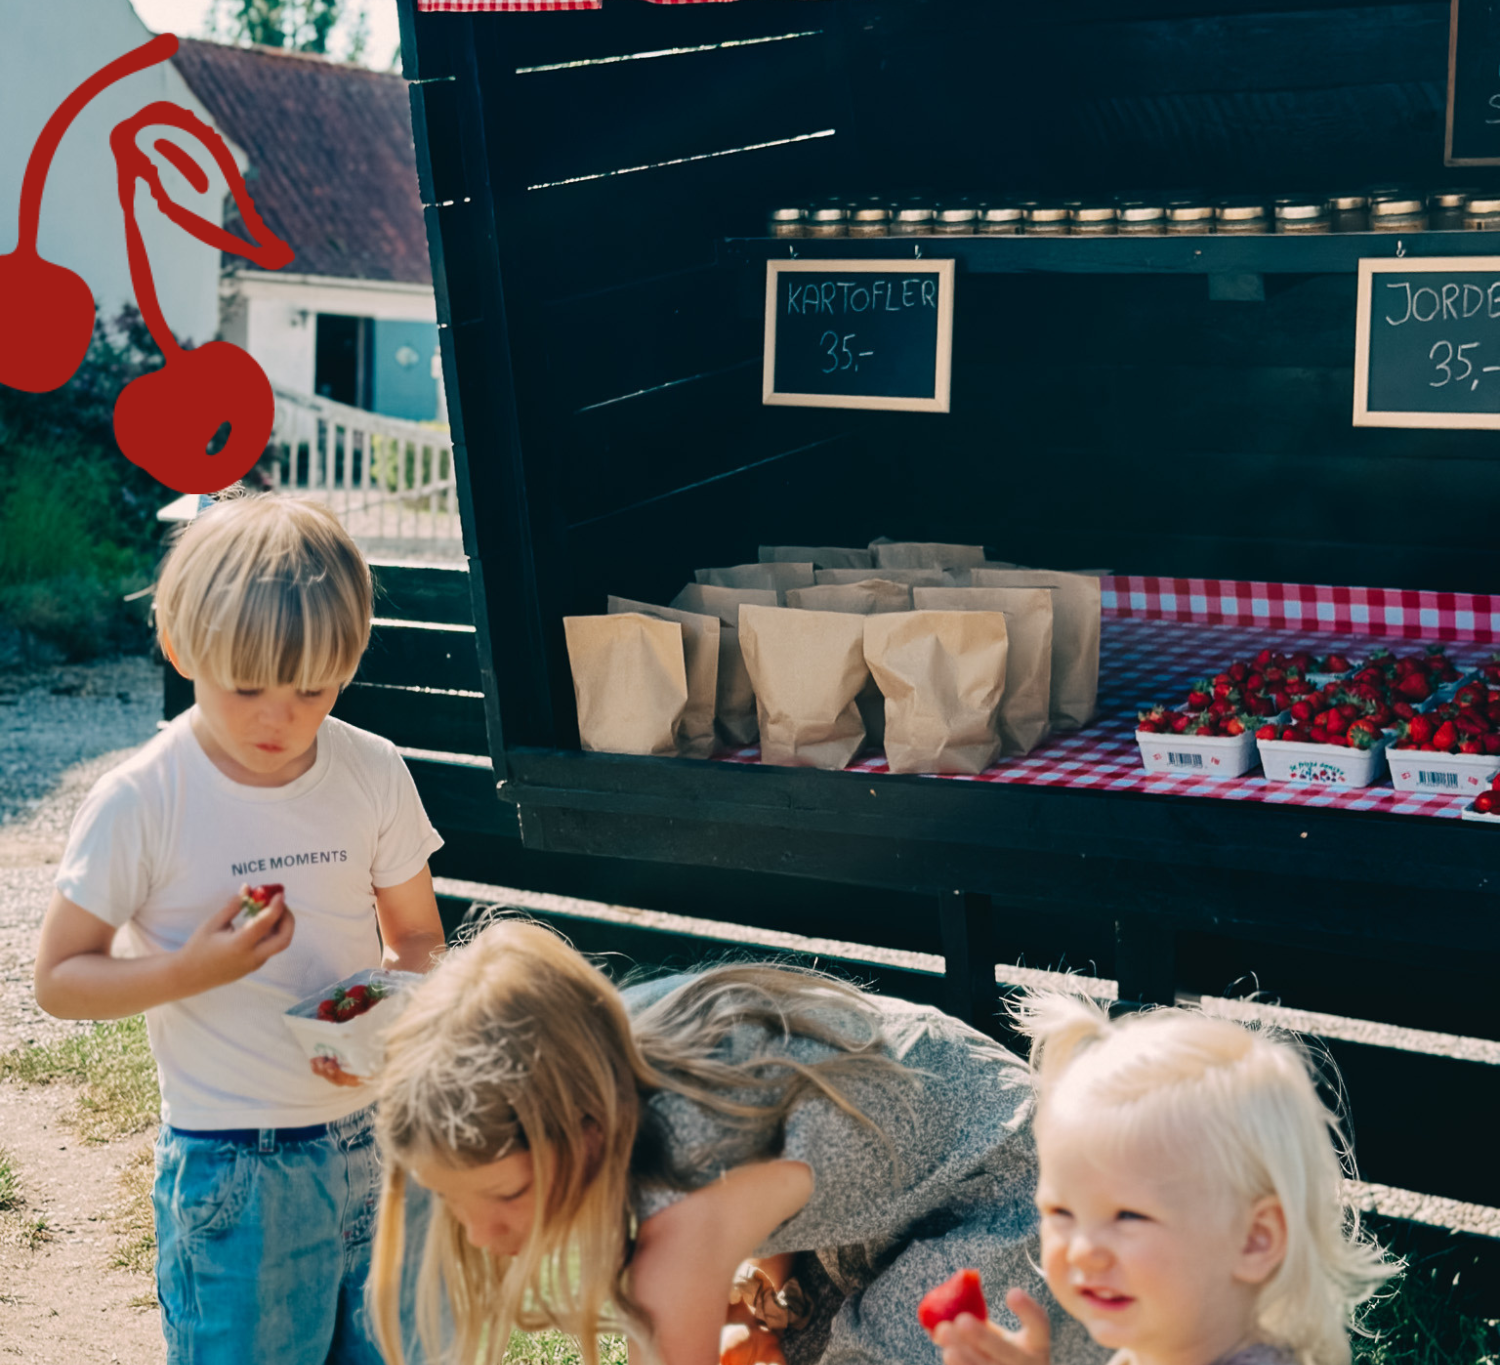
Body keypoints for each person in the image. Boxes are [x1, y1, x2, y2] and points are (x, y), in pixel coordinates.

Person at [33, 493, 447, 1364]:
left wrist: (386, 1023)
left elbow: (416, 938)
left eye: (313, 688)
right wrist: (193, 969)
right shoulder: (146, 798)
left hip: (378, 1145)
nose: (279, 718)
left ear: (352, 659)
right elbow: (60, 977)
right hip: (235, 1168)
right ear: (181, 648)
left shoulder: (370, 770)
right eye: (246, 686)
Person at [366, 917, 1107, 1365]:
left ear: (586, 1130)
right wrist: (773, 1275)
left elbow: (738, 1166)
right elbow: (789, 1138)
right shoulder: (598, 1044)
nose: (482, 1233)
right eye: (452, 1204)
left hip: (1012, 1193)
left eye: (505, 1195)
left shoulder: (679, 1215)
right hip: (907, 1193)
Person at [931, 993, 1395, 1365]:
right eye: (1061, 1212)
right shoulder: (1163, 1346)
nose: (1082, 1250)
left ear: (1254, 1239)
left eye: (1129, 1215)